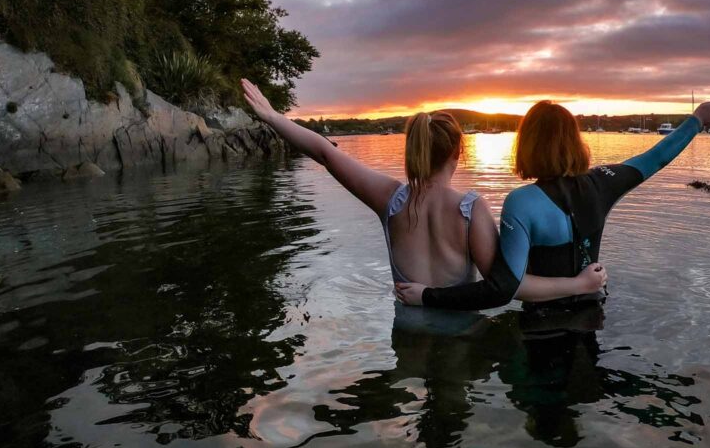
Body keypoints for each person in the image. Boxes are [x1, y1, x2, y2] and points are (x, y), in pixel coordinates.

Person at [240, 79, 606, 301]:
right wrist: (576, 284)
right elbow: (505, 287)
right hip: (462, 332)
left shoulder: (388, 199)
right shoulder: (470, 209)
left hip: (410, 327)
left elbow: (323, 151)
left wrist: (273, 117)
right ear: (458, 153)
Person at [396, 99, 710, 310]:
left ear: (526, 145)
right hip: (593, 311)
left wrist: (427, 296)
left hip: (540, 328)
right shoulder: (603, 182)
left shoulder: (521, 204)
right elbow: (657, 156)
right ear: (574, 140)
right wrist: (696, 119)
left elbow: (503, 288)